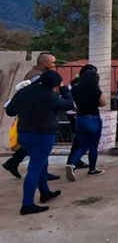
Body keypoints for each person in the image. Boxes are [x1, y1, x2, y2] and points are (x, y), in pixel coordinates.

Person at [5, 70, 74, 215]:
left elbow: (10, 111)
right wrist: (64, 89)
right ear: (53, 85)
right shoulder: (50, 96)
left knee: (42, 163)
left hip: (24, 133)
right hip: (43, 135)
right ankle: (27, 204)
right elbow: (69, 104)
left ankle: (45, 192)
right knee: (35, 168)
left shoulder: (23, 93)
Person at [2, 52, 61, 181]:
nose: (54, 65)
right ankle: (39, 175)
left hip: (30, 118)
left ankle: (13, 162)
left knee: (32, 146)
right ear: (44, 63)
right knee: (39, 148)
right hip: (37, 118)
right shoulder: (37, 77)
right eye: (52, 62)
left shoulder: (35, 74)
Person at [66, 69, 107, 181]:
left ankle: (72, 164)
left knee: (82, 145)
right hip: (93, 118)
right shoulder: (95, 90)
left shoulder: (75, 89)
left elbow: (72, 103)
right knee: (93, 145)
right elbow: (104, 103)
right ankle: (92, 169)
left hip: (80, 119)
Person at [66, 64, 98, 170]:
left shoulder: (74, 84)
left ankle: (73, 161)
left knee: (79, 140)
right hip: (79, 114)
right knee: (83, 141)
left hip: (75, 114)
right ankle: (73, 162)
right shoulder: (80, 85)